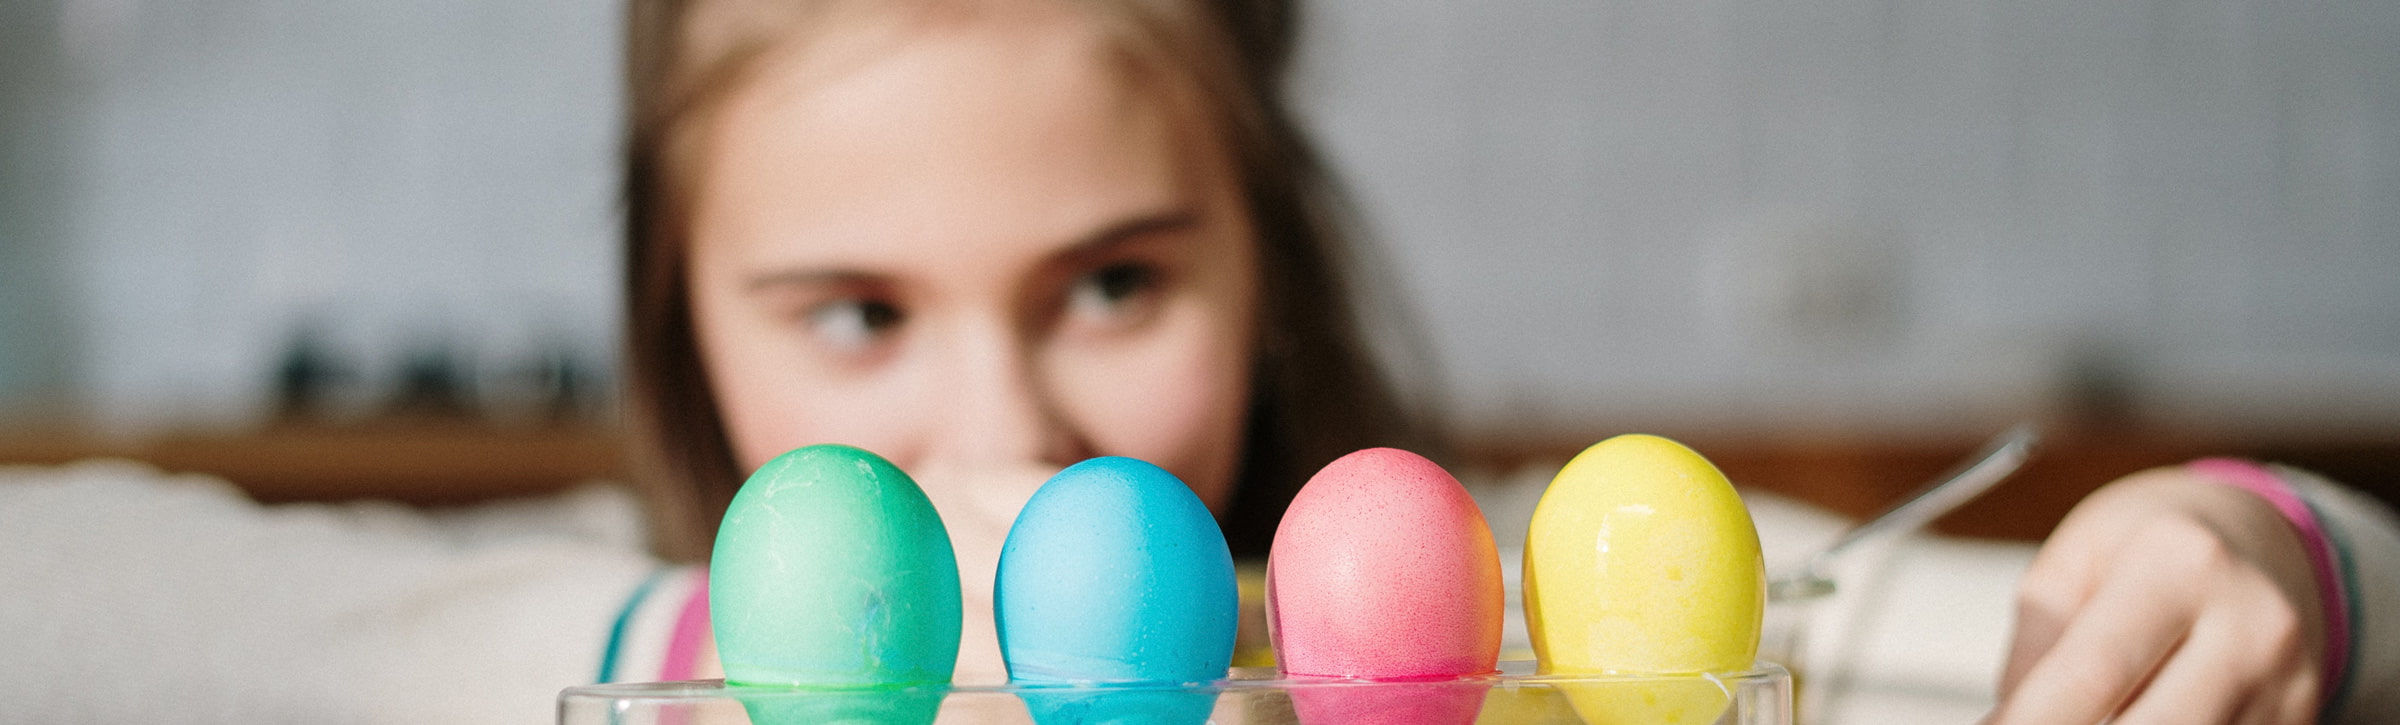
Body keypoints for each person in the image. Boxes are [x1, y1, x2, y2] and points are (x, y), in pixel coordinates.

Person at [2, 0, 2391, 723]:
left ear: (1270, 256)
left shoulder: (1506, 617)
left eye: (1115, 286)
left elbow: (2271, 615)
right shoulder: (608, 653)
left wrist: (2263, 549)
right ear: (676, 326)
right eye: (852, 316)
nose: (1007, 436)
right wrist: (667, 643)